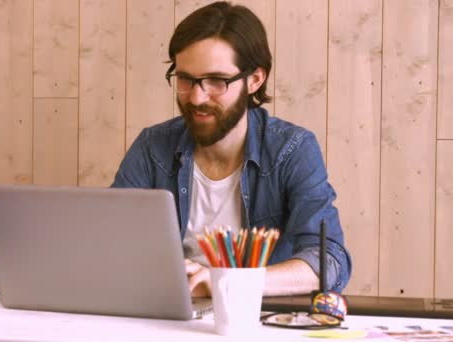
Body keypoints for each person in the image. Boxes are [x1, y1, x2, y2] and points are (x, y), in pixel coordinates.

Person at [111, 1, 351, 297]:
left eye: (216, 81)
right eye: (186, 79)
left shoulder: (292, 149)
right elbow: (113, 247)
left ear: (254, 79)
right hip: (167, 313)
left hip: (255, 317)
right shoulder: (152, 147)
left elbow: (327, 261)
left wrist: (226, 282)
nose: (197, 97)